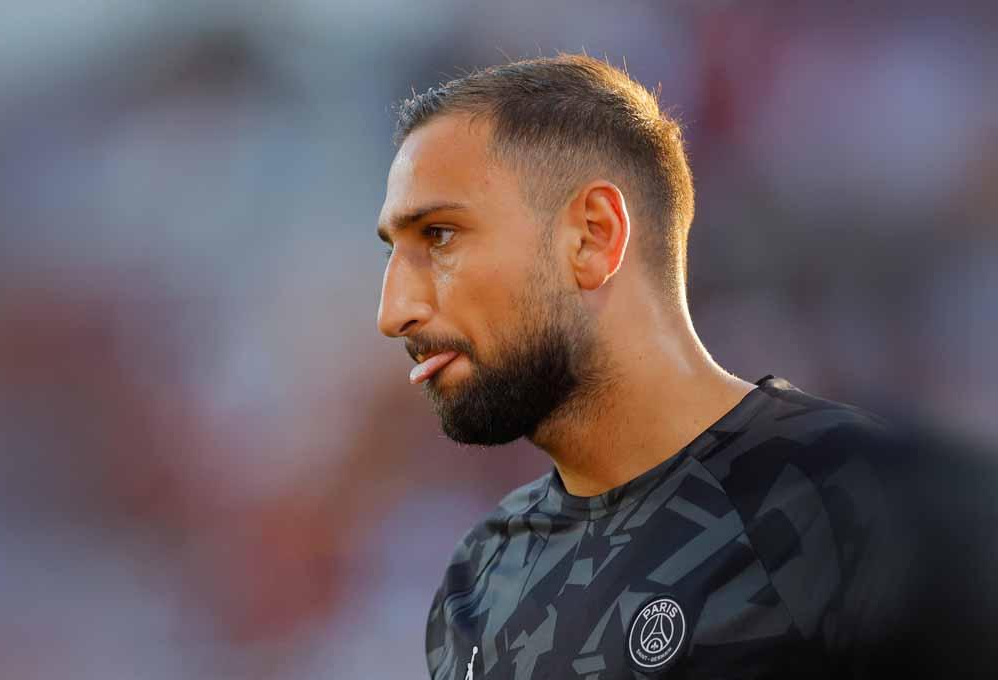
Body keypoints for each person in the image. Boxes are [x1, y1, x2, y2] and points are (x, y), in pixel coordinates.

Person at [374, 55, 920, 679]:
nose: (393, 313)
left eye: (439, 235)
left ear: (593, 236)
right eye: (395, 251)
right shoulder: (481, 581)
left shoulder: (860, 502)